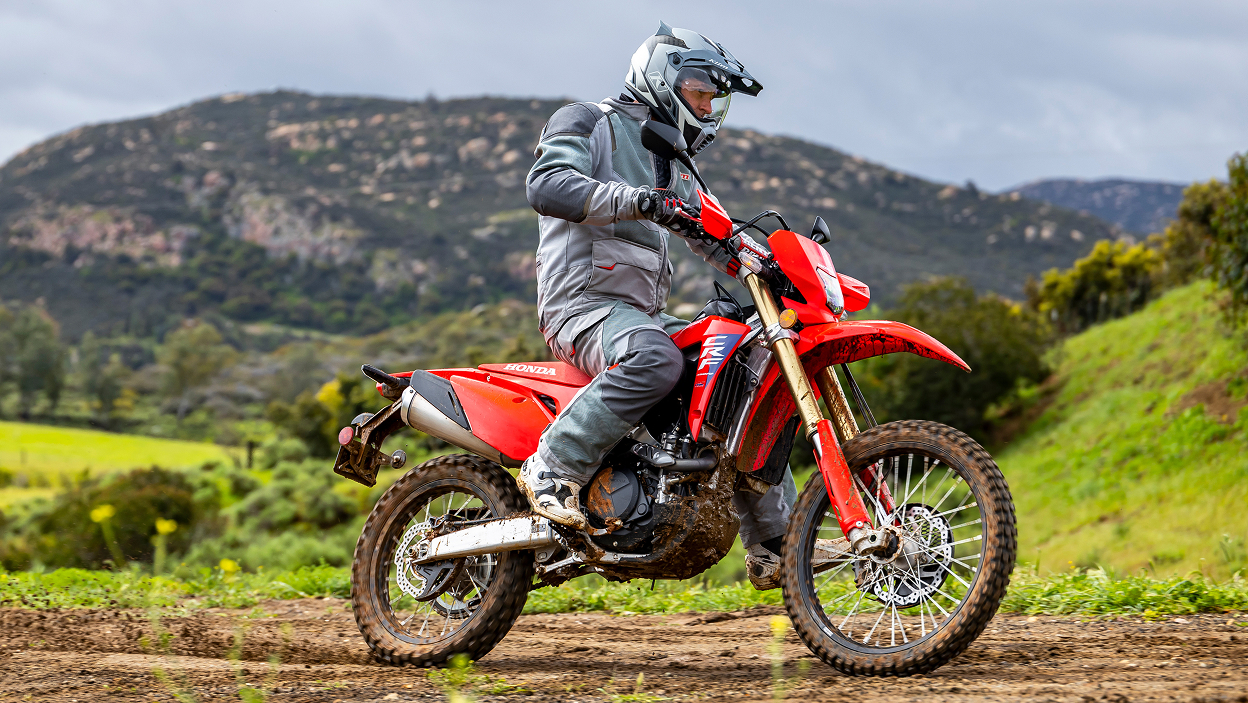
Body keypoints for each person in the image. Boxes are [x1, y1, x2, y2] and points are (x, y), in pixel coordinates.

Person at [520, 22, 796, 590]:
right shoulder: (587, 121)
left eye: (712, 97)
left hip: (639, 316)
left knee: (744, 368)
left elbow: (719, 234)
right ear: (663, 78)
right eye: (699, 91)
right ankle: (553, 466)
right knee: (657, 359)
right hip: (581, 306)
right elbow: (547, 185)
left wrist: (777, 266)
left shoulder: (671, 159)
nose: (707, 104)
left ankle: (777, 542)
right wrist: (639, 201)